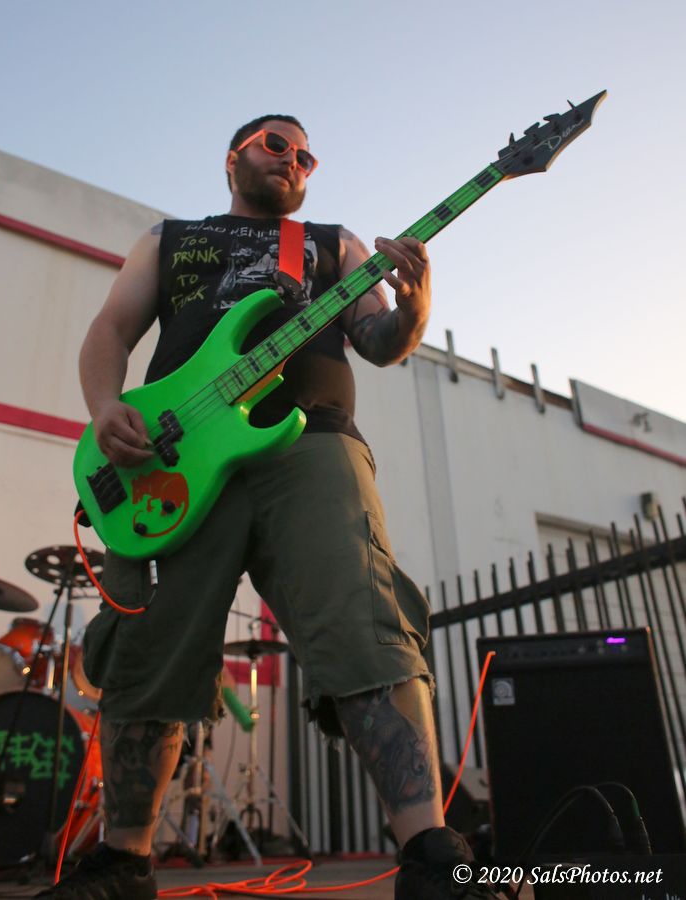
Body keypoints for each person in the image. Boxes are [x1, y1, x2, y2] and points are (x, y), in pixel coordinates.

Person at [39, 116, 501, 900]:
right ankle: (122, 865)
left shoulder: (331, 244)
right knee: (147, 643)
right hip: (172, 462)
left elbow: (381, 340)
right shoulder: (169, 239)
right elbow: (110, 330)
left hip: (311, 443)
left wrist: (416, 304)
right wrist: (104, 407)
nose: (293, 160)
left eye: (305, 154)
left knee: (363, 622)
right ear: (234, 158)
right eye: (275, 145)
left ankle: (429, 855)